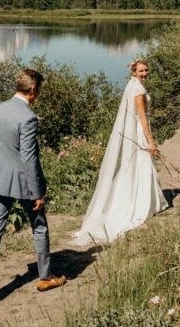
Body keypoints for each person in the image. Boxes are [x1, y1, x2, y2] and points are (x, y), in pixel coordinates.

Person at [0, 69, 66, 308]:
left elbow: (3, 147)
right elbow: (28, 159)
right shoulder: (28, 118)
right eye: (39, 91)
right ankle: (45, 277)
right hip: (22, 182)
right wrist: (37, 193)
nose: (39, 94)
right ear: (33, 90)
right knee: (39, 225)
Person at [71, 58, 168, 246]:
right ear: (133, 72)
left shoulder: (131, 85)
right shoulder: (138, 89)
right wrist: (150, 140)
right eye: (141, 71)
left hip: (136, 130)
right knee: (142, 164)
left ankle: (141, 199)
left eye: (146, 70)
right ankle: (139, 204)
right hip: (140, 132)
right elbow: (141, 116)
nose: (145, 73)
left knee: (133, 166)